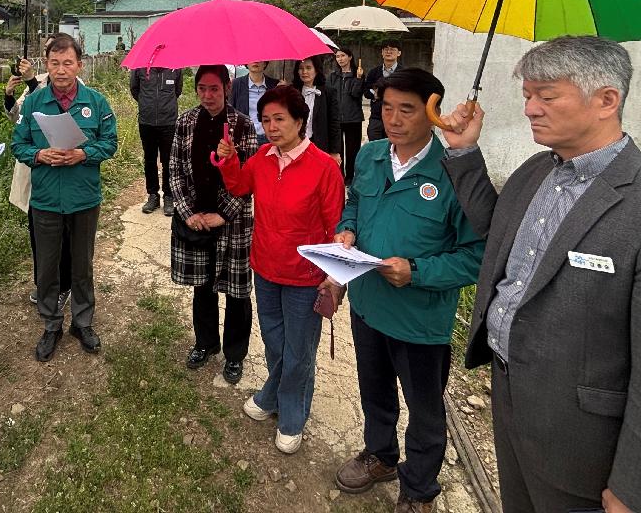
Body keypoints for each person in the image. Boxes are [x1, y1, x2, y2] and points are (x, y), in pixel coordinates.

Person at [439, 36, 640, 513]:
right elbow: (497, 231)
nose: (530, 108)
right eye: (527, 94)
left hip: (583, 439)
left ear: (607, 100)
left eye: (546, 96)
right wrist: (465, 152)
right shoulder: (537, 170)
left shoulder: (633, 201)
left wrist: (632, 485)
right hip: (511, 394)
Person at [333, 68, 484, 513]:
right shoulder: (371, 155)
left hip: (420, 323)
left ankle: (418, 489)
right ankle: (380, 455)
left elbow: (476, 255)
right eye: (386, 108)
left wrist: (416, 271)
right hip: (368, 305)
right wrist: (346, 231)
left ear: (433, 113)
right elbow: (355, 203)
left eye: (407, 109)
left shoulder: (456, 172)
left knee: (425, 411)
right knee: (374, 390)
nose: (394, 119)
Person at [215, 85, 345, 454]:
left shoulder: (323, 168)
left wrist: (333, 280)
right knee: (275, 341)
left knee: (300, 349)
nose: (271, 127)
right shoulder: (261, 157)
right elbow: (240, 186)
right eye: (266, 119)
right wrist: (228, 160)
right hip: (266, 267)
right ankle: (274, 396)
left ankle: (292, 414)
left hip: (305, 277)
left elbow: (336, 226)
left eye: (279, 119)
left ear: (300, 121)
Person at [11, 35, 118, 362]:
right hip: (45, 199)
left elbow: (109, 143)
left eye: (67, 63)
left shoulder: (96, 102)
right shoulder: (33, 103)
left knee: (82, 264)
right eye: (54, 63)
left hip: (84, 198)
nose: (60, 70)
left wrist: (82, 154)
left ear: (79, 65)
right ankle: (52, 323)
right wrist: (40, 154)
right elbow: (19, 145)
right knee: (46, 267)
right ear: (46, 65)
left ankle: (82, 322)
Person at [170, 65, 256, 385]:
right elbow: (175, 170)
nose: (208, 96)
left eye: (214, 89)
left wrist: (224, 213)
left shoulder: (243, 126)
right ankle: (205, 343)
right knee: (202, 287)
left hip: (231, 223)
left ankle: (235, 355)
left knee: (236, 292)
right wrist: (187, 212)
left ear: (228, 87)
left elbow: (249, 178)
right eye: (202, 89)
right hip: (196, 220)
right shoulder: (185, 123)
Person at [4, 45, 73, 311]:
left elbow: (60, 119)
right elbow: (19, 119)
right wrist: (9, 95)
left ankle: (64, 284)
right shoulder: (37, 82)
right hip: (37, 167)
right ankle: (44, 283)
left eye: (64, 59)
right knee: (39, 232)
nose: (58, 66)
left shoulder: (71, 80)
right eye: (51, 58)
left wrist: (33, 81)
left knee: (66, 234)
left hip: (65, 172)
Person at [130, 66, 184, 216]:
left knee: (168, 160)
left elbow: (177, 91)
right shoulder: (140, 68)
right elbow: (135, 90)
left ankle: (168, 195)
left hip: (168, 122)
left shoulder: (175, 68)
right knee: (149, 159)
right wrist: (146, 103)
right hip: (146, 121)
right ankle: (153, 195)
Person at [294, 56, 344, 165]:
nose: (304, 72)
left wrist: (335, 151)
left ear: (316, 70)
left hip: (319, 145)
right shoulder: (292, 92)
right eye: (301, 68)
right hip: (295, 144)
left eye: (308, 68)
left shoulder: (328, 93)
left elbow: (334, 123)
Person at [328, 47, 365, 184]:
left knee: (352, 150)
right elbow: (329, 95)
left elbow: (356, 94)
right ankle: (339, 176)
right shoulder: (333, 76)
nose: (340, 59)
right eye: (337, 56)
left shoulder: (358, 74)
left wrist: (359, 79)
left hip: (353, 117)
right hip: (336, 118)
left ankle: (351, 177)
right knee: (338, 149)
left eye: (343, 56)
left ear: (350, 57)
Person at [231, 61, 278, 146]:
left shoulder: (274, 85)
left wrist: (284, 90)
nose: (255, 61)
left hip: (269, 137)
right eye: (252, 58)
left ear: (265, 63)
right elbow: (231, 111)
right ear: (246, 63)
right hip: (245, 137)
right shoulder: (237, 84)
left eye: (260, 59)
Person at [364, 40, 402, 141]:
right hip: (376, 117)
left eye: (392, 49)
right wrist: (376, 95)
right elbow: (366, 91)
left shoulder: (403, 73)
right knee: (375, 146)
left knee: (394, 147)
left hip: (396, 117)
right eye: (386, 49)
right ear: (382, 52)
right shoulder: (374, 72)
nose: (388, 52)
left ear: (399, 53)